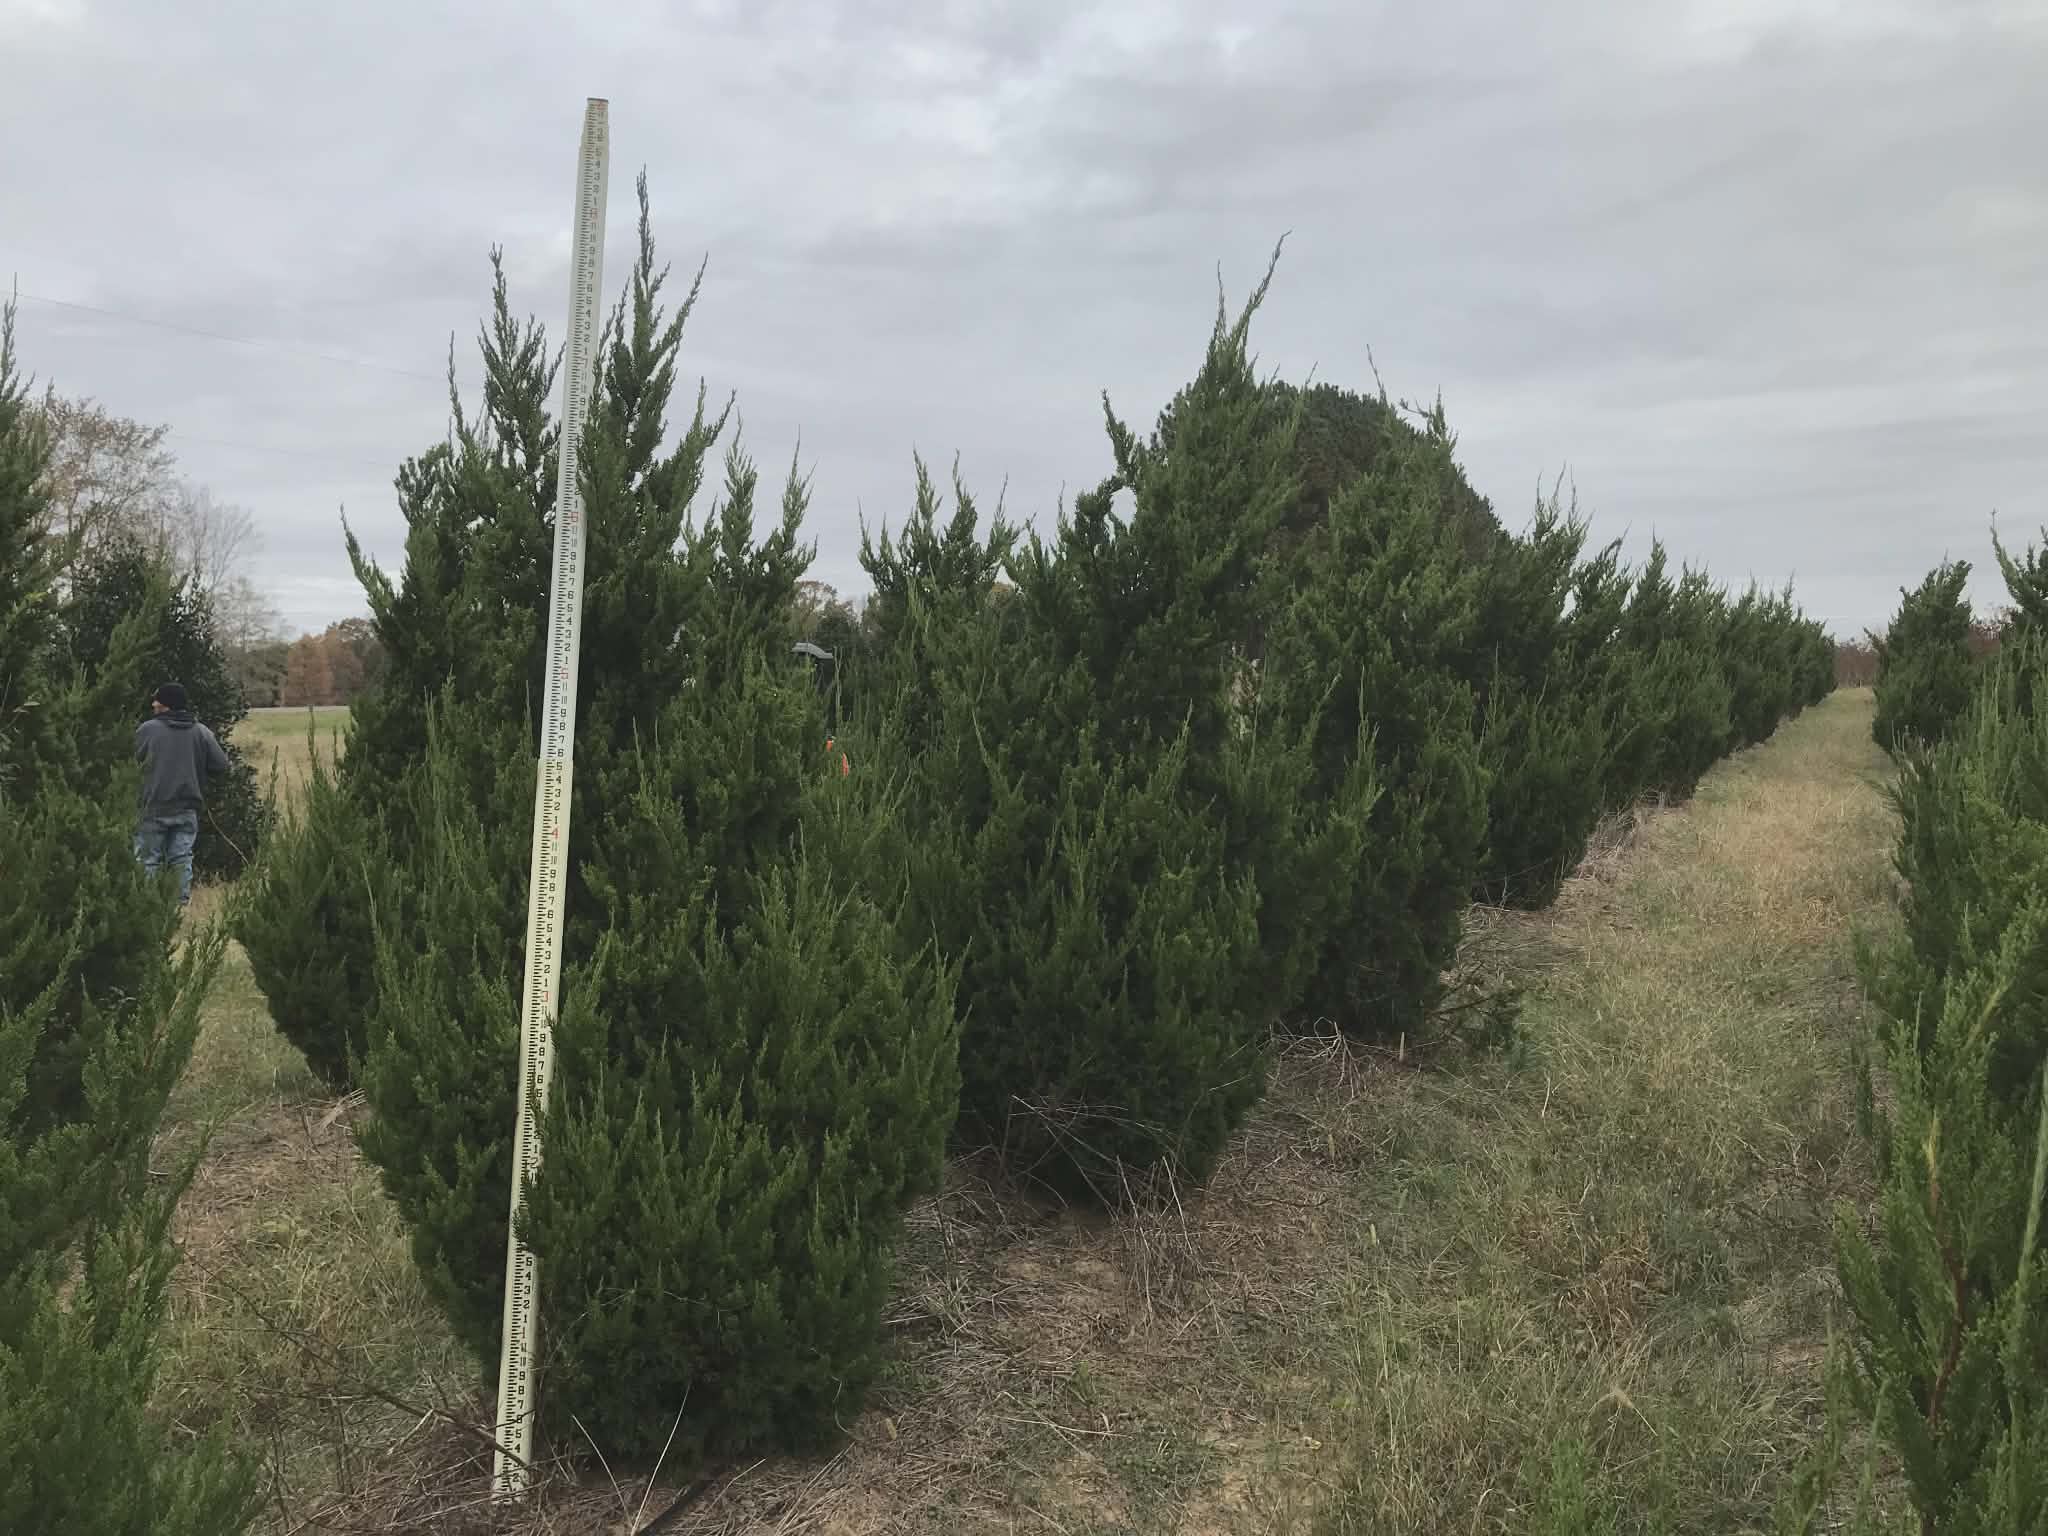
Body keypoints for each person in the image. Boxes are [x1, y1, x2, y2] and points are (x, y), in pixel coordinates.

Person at [134, 681, 228, 906]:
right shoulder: (201, 731)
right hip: (187, 810)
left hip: (151, 807)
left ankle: (148, 908)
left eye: (157, 700)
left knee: (148, 860)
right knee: (181, 859)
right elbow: (221, 766)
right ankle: (179, 908)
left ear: (166, 704)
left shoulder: (147, 730)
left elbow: (127, 763)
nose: (153, 704)